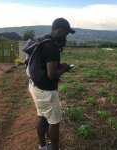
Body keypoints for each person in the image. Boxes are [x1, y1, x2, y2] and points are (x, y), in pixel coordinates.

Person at [28, 18, 75, 150]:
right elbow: (52, 75)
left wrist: (59, 66)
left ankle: (43, 146)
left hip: (35, 85)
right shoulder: (52, 47)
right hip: (46, 91)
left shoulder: (43, 39)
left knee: (42, 116)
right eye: (65, 33)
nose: (65, 37)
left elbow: (46, 65)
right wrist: (64, 69)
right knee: (54, 122)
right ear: (59, 30)